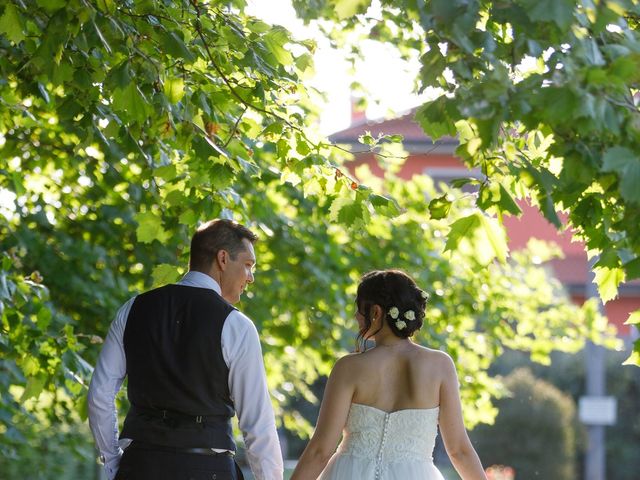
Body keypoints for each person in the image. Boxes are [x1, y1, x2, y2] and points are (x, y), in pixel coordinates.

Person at [88, 219, 283, 480]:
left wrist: (113, 462)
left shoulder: (133, 309)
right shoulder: (237, 325)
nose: (251, 278)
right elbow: (258, 425)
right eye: (248, 265)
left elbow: (99, 395)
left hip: (140, 466)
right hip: (208, 470)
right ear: (223, 259)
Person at [291, 270, 488, 480]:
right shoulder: (440, 366)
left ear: (375, 312)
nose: (356, 316)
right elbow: (459, 451)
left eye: (358, 308)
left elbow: (321, 450)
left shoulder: (348, 368)